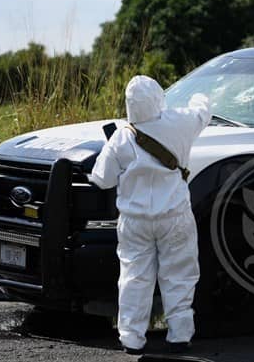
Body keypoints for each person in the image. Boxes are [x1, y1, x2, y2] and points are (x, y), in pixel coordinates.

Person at [89, 75, 211, 355]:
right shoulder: (180, 122)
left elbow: (103, 179)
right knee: (179, 275)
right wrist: (199, 95)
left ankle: (132, 339)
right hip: (175, 217)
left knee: (134, 277)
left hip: (134, 222)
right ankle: (180, 335)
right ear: (158, 99)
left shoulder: (122, 136)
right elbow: (202, 111)